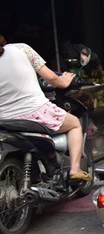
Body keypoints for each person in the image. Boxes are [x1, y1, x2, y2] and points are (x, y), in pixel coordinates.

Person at [0, 39, 90, 182]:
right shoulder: (22, 48)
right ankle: (75, 169)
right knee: (74, 123)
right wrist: (64, 81)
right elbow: (52, 78)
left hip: (4, 120)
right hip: (35, 112)